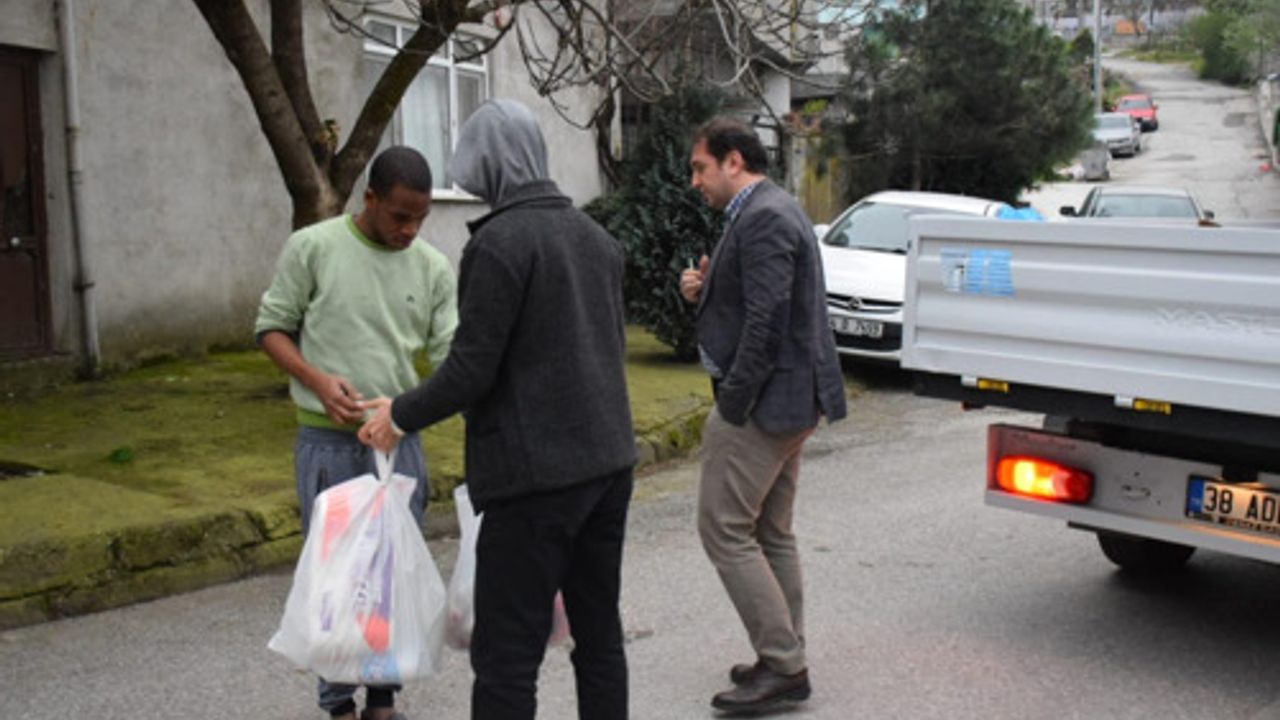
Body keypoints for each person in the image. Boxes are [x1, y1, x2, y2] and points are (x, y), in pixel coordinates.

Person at [358, 99, 636, 720]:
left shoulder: (500, 244)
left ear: (487, 161)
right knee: (598, 633)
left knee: (508, 651)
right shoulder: (597, 238)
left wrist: (398, 414)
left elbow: (471, 369)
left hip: (533, 479)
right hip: (608, 464)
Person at [255, 145, 457, 720]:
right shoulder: (313, 247)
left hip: (399, 445)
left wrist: (412, 409)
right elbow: (271, 328)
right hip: (328, 442)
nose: (410, 230)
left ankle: (384, 699)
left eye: (421, 218)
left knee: (391, 574)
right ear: (369, 199)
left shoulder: (434, 268)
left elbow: (451, 359)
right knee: (335, 581)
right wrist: (317, 380)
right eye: (399, 216)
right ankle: (337, 702)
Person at [678, 117, 847, 714]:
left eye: (700, 167)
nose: (694, 180)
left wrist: (733, 402)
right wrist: (705, 289)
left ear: (732, 161)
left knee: (722, 528)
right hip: (787, 400)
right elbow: (760, 300)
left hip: (765, 405)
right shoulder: (764, 209)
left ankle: (783, 664)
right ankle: (784, 653)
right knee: (770, 531)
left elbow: (767, 324)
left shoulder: (766, 214)